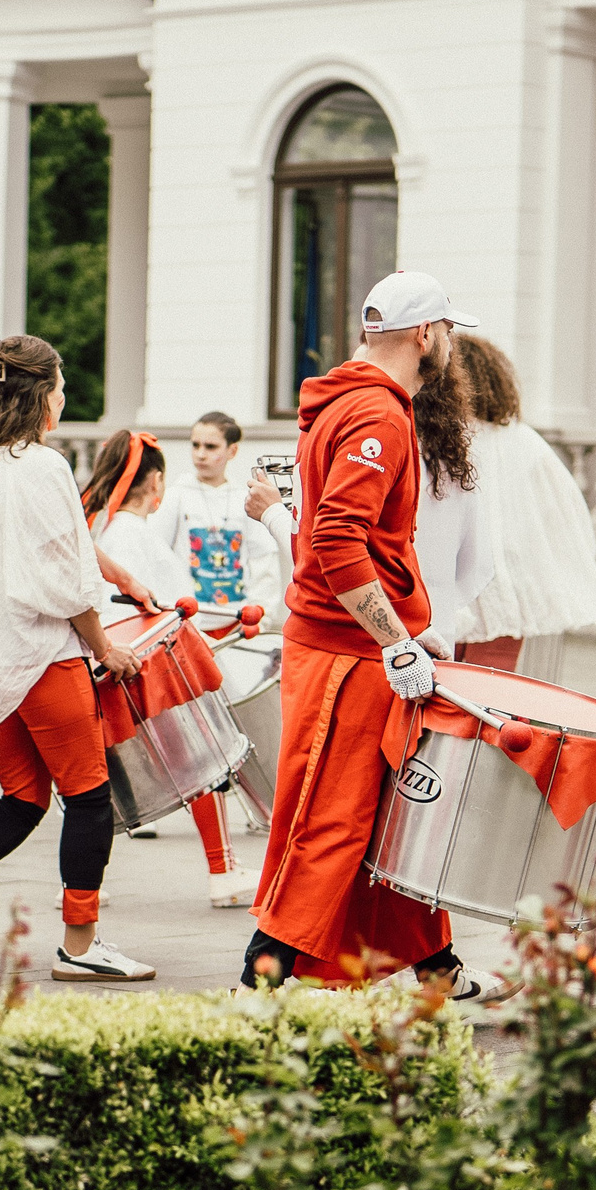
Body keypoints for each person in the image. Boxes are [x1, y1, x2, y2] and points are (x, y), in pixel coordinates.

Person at [242, 269, 497, 1000]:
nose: (448, 343)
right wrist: (396, 639)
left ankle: (436, 971)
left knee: (391, 814)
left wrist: (406, 632)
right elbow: (336, 539)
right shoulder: (380, 417)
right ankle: (257, 981)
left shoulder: (351, 405)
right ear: (424, 335)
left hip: (351, 650)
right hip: (349, 658)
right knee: (332, 818)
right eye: (446, 330)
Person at [0, 337, 153, 981]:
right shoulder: (44, 466)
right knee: (91, 798)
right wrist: (106, 648)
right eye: (60, 384)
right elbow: (66, 579)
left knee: (23, 800)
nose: (65, 396)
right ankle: (80, 944)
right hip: (42, 657)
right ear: (41, 394)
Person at [85, 426, 255, 910]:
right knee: (206, 761)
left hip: (130, 666)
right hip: (149, 671)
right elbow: (164, 611)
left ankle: (82, 885)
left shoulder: (114, 532)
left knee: (103, 787)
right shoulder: (132, 535)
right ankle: (221, 870)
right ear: (155, 482)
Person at [448, 335, 596, 674]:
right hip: (510, 586)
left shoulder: (440, 438)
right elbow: (568, 515)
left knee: (438, 696)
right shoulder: (526, 442)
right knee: (495, 695)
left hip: (450, 586)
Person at [408, 343, 495, 662]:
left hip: (374, 636)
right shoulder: (453, 463)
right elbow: (477, 563)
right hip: (435, 628)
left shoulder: (370, 448)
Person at [157, 411, 285, 628]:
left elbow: (264, 560)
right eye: (195, 445)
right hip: (188, 621)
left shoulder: (245, 498)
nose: (200, 454)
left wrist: (261, 615)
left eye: (211, 447)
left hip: (237, 623)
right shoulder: (175, 495)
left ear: (232, 450)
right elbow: (158, 555)